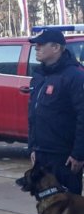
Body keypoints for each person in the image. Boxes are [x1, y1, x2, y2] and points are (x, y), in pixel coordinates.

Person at [28, 29, 84, 195]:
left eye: (40, 45)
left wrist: (79, 154)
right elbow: (33, 115)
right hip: (42, 155)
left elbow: (83, 116)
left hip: (64, 157)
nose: (36, 48)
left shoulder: (75, 76)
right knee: (47, 209)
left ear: (56, 48)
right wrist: (32, 148)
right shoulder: (39, 76)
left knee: (68, 213)